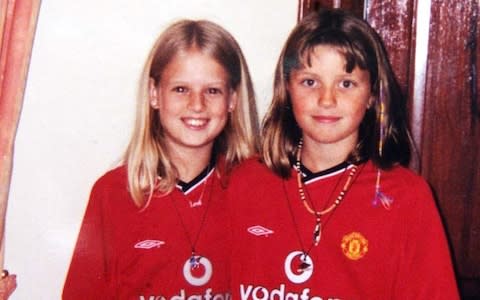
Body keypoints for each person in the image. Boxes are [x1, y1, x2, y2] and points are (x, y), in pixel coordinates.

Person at [228, 8, 459, 299]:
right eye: (310, 82)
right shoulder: (245, 182)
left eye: (346, 83)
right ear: (287, 87)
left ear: (373, 95)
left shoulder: (407, 199)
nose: (327, 99)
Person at [63, 19, 259, 299]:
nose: (197, 104)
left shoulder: (252, 191)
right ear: (155, 94)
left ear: (232, 100)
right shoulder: (114, 194)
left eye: (212, 90)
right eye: (181, 89)